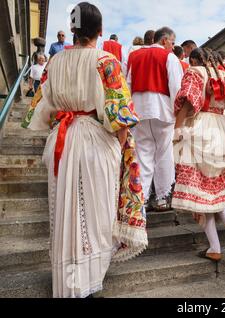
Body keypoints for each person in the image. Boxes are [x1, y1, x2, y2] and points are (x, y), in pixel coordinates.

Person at [24, 2, 147, 298]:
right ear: (100, 31)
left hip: (63, 141)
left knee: (64, 211)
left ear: (73, 30)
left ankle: (67, 279)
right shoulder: (106, 61)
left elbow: (41, 109)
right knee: (97, 215)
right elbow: (120, 116)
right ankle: (88, 280)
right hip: (95, 140)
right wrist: (119, 151)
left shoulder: (53, 63)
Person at [172, 48, 225, 261]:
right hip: (222, 127)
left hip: (200, 125)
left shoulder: (194, 72)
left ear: (194, 59)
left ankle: (216, 246)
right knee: (215, 190)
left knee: (203, 193)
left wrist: (177, 130)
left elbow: (187, 101)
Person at [127, 26, 183, 211]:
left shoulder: (134, 56)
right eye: (172, 42)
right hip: (163, 110)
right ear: (164, 40)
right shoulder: (169, 57)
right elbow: (176, 86)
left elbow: (127, 85)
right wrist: (178, 112)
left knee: (143, 154)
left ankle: (141, 198)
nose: (173, 47)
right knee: (164, 154)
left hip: (139, 110)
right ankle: (162, 197)